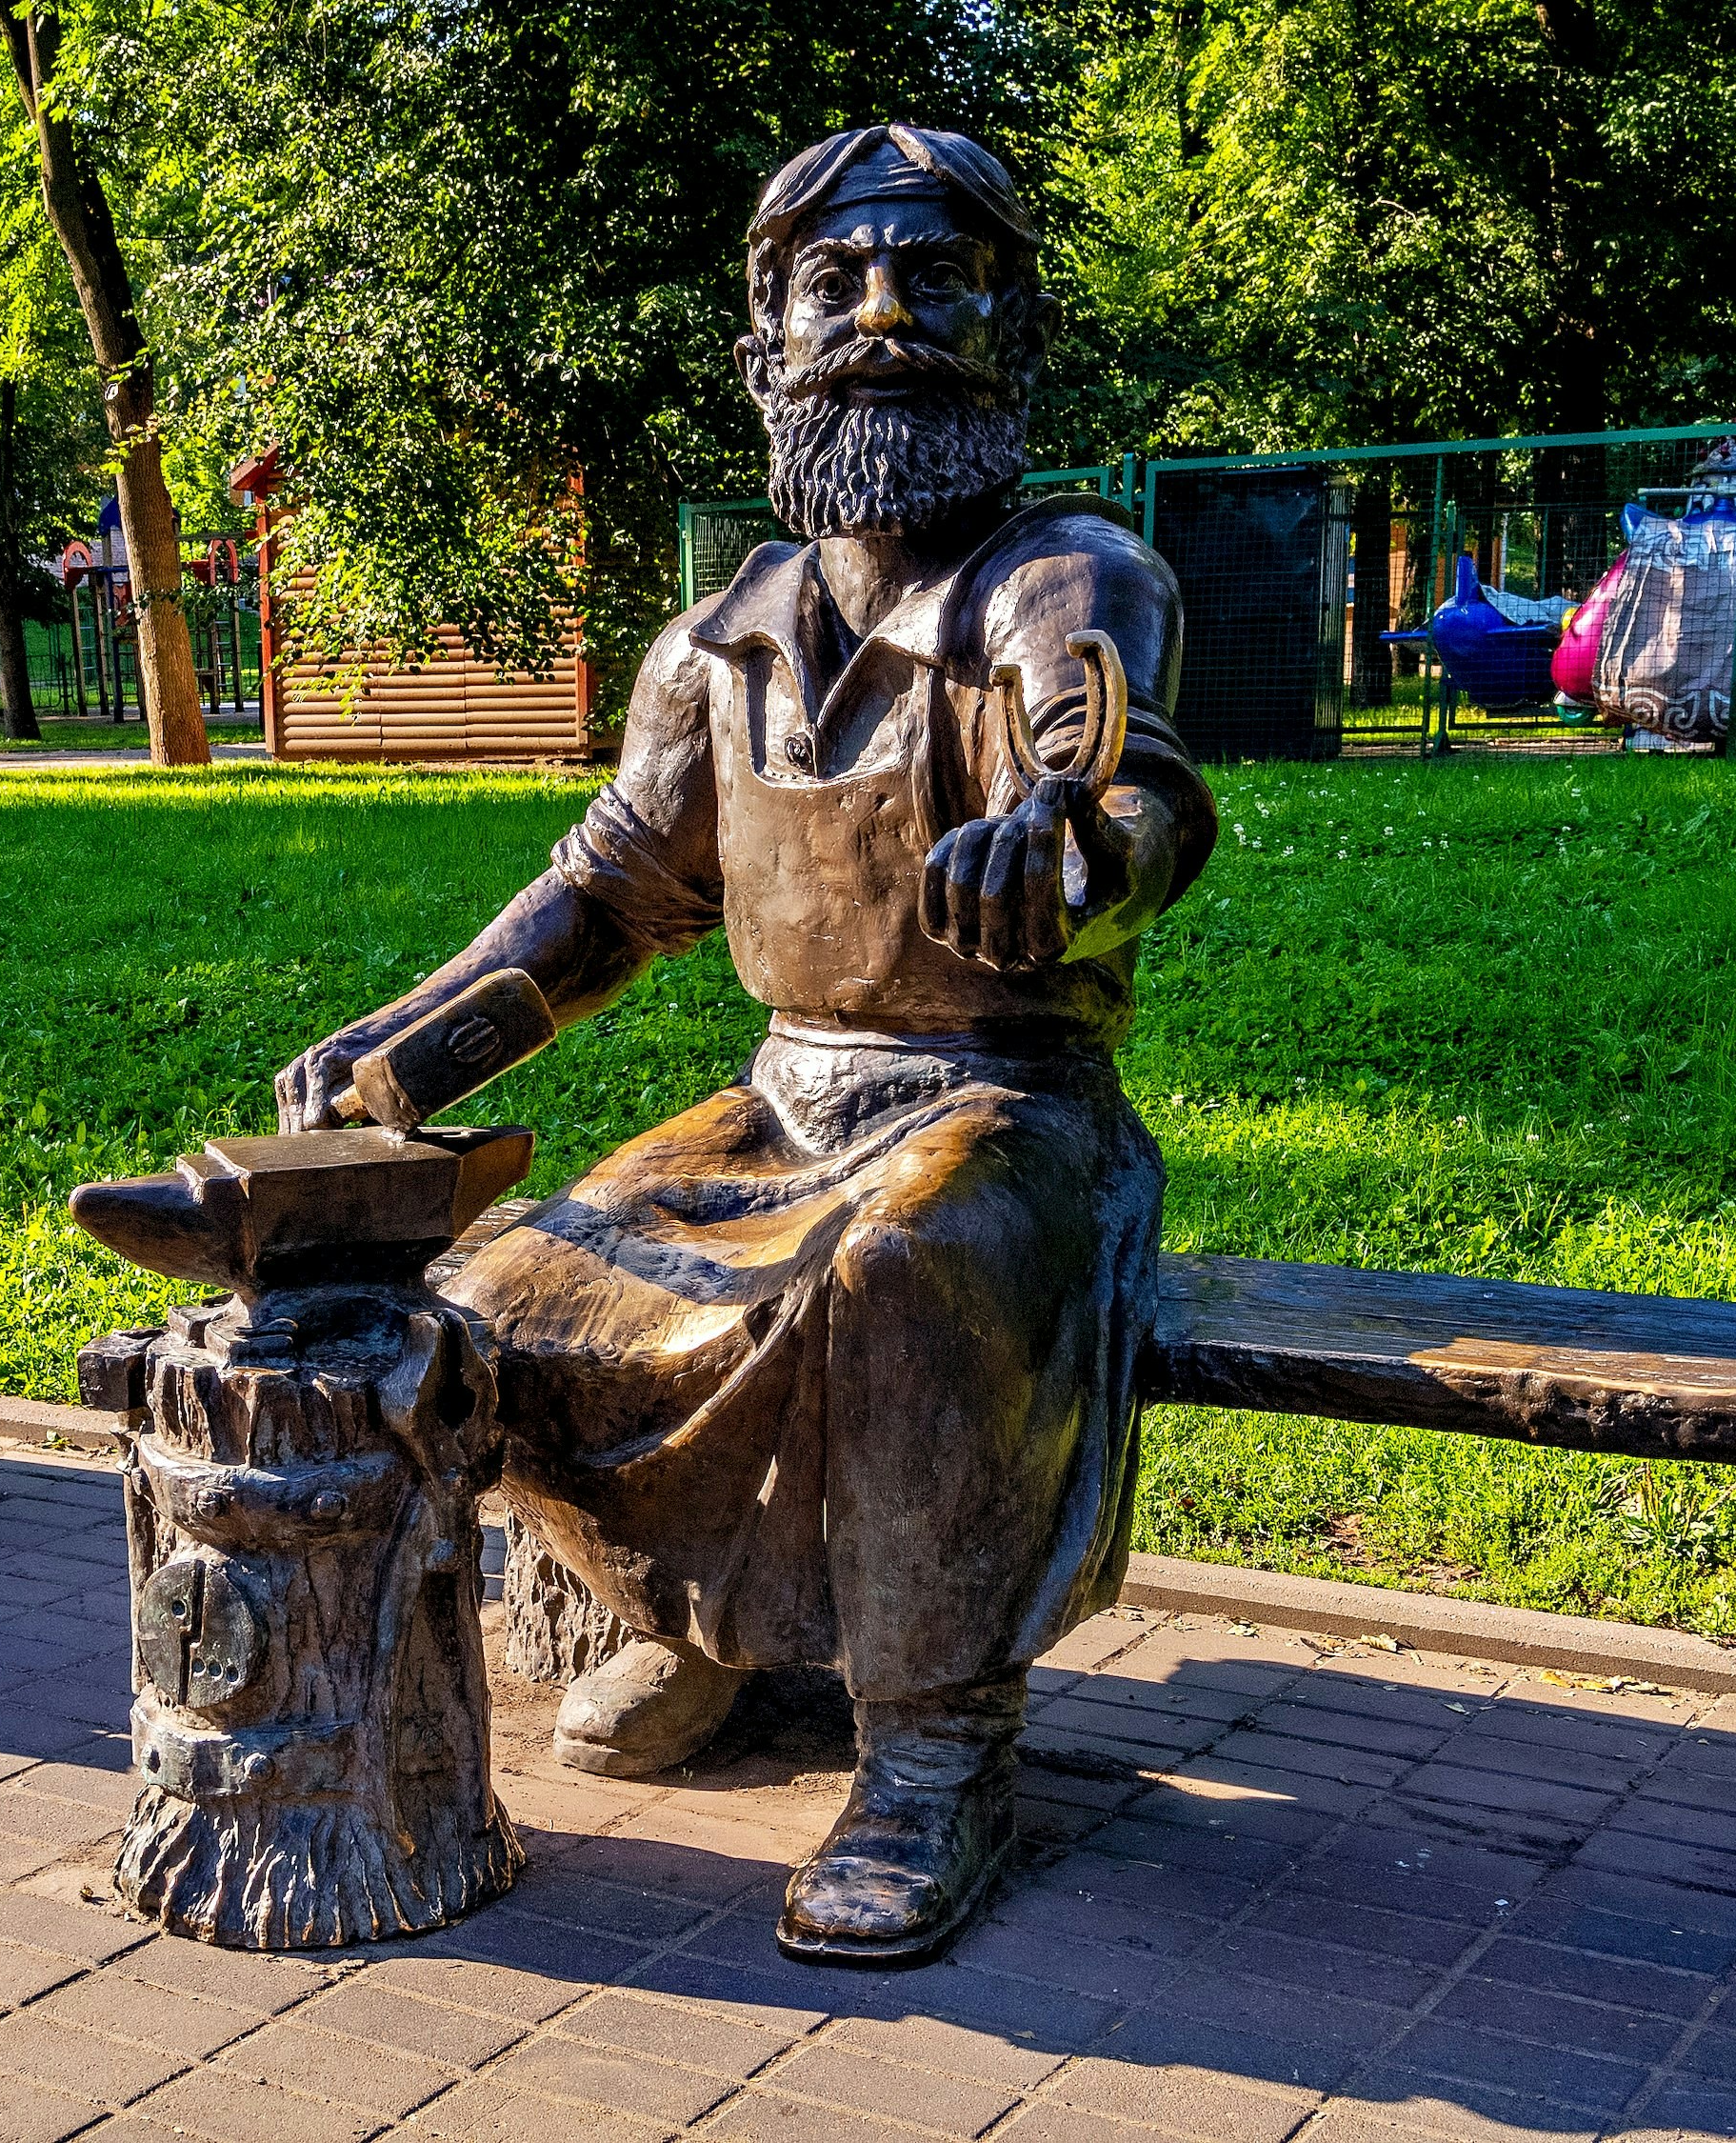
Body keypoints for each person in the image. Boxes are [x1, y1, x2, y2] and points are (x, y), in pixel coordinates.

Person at [277, 123, 1215, 1967]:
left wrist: (1074, 848)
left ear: (1015, 332)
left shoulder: (1066, 580)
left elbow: (1123, 778)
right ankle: (696, 1619)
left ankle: (935, 1745)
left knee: (906, 1271)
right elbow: (607, 899)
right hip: (784, 1104)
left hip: (1012, 1113)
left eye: (933, 276)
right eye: (833, 283)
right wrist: (398, 1058)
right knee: (507, 1290)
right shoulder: (715, 650)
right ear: (761, 346)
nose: (883, 316)